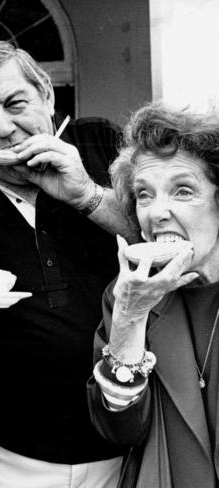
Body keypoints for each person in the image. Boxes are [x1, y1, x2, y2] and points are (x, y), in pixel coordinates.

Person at [0, 41, 137, 487]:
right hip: (1, 455)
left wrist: (86, 196)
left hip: (122, 444)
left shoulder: (102, 146)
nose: (4, 129)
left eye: (16, 103)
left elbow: (163, 243)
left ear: (48, 97)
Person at [87, 103, 219, 487]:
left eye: (182, 191)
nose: (157, 212)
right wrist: (130, 318)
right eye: (144, 195)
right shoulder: (127, 295)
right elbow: (119, 429)